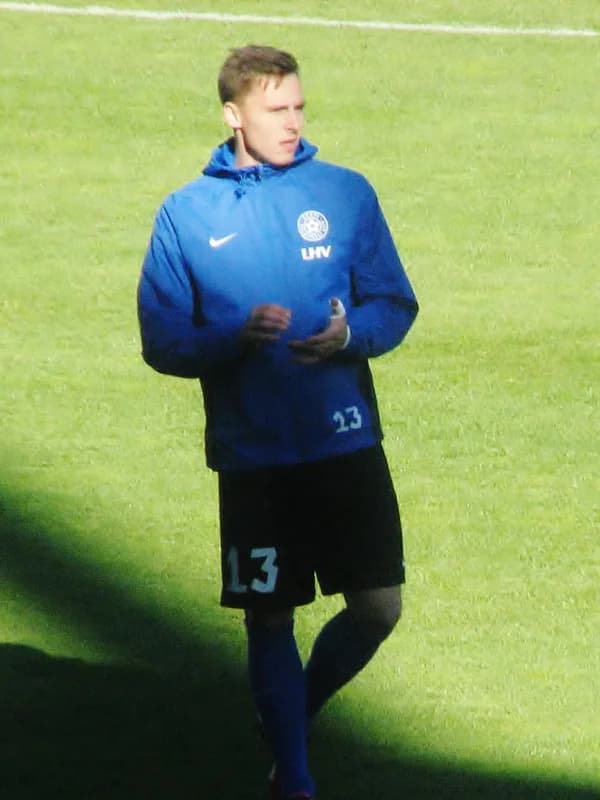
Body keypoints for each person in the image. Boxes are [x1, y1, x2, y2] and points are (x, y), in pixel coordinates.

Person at [137, 45, 418, 800]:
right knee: (269, 617)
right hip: (254, 455)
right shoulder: (186, 215)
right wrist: (234, 339)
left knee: (378, 607)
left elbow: (394, 302)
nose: (292, 123)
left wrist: (350, 335)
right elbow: (162, 339)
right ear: (233, 115)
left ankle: (291, 712)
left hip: (344, 438)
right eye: (275, 110)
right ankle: (292, 778)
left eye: (298, 107)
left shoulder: (345, 193)